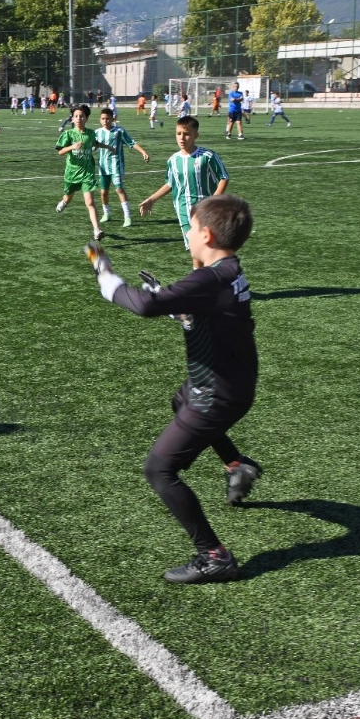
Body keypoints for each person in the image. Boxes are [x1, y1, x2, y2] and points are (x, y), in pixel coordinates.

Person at [83, 194, 262, 584]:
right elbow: (212, 315)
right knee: (179, 399)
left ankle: (214, 556)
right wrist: (181, 306)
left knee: (160, 470)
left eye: (192, 227)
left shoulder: (209, 278)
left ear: (208, 234)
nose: (188, 232)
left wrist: (108, 278)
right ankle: (238, 466)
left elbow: (145, 307)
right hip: (229, 381)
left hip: (217, 392)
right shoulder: (230, 270)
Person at [140, 116, 230, 260]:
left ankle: (210, 276)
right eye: (178, 134)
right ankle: (200, 277)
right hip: (183, 210)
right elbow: (170, 183)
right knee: (195, 249)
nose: (182, 138)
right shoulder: (173, 160)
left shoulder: (207, 156)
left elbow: (223, 177)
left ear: (196, 135)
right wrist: (152, 199)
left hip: (206, 210)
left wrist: (214, 199)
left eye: (187, 134)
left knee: (210, 248)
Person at [94, 106, 152, 228]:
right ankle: (107, 213)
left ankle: (127, 216)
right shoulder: (97, 133)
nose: (105, 121)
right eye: (103, 119)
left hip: (116, 165)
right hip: (103, 167)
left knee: (119, 189)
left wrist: (143, 152)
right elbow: (92, 147)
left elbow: (131, 142)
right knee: (103, 192)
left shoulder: (119, 131)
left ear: (112, 119)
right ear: (100, 120)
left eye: (107, 118)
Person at [54, 105, 105, 241]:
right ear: (72, 118)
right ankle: (64, 203)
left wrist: (109, 147)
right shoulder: (68, 134)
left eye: (81, 116)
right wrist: (72, 146)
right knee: (68, 198)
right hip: (72, 173)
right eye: (76, 116)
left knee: (90, 202)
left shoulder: (91, 133)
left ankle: (97, 230)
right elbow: (60, 152)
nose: (78, 119)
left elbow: (96, 144)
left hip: (87, 173)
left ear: (86, 118)